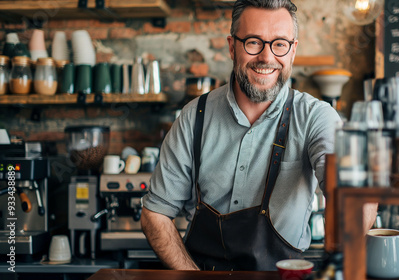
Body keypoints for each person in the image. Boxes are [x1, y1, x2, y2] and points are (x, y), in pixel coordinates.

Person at [141, 0, 377, 271]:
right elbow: (155, 214)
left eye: (279, 44)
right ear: (232, 46)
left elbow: (355, 196)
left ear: (293, 51)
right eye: (253, 42)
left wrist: (353, 201)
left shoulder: (317, 118)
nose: (266, 57)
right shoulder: (194, 117)